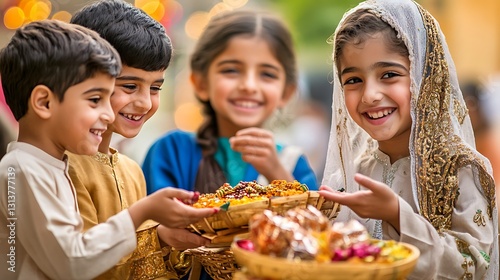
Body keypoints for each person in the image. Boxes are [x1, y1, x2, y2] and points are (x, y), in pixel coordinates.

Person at [0, 20, 216, 280]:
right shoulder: (21, 169)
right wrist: (142, 213)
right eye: (95, 100)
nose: (106, 112)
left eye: (156, 88)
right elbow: (73, 264)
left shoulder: (50, 167)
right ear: (44, 102)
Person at [318, 0, 498, 279]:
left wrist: (397, 215)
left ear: (426, 78)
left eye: (389, 75)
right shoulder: (353, 170)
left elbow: (473, 265)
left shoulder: (461, 169)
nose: (370, 96)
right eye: (353, 80)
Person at [66, 0, 209, 279]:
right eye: (130, 86)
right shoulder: (62, 167)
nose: (144, 102)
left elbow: (145, 267)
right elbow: (79, 266)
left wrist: (173, 239)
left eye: (155, 87)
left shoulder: (132, 171)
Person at [142, 10, 318, 196]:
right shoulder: (172, 152)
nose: (249, 86)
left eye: (267, 74)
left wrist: (278, 175)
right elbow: (152, 222)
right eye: (231, 70)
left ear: (286, 92)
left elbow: (315, 222)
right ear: (201, 83)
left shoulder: (293, 164)